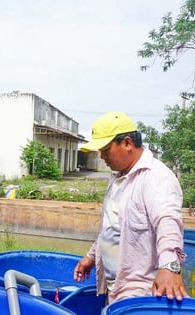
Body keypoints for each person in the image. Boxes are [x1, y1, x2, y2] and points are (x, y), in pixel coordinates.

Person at [73, 111, 188, 304]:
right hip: (115, 287)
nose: (102, 156)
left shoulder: (155, 177)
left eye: (106, 149)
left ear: (127, 143)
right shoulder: (118, 177)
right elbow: (111, 228)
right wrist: (91, 256)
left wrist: (170, 267)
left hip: (140, 293)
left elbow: (167, 221)